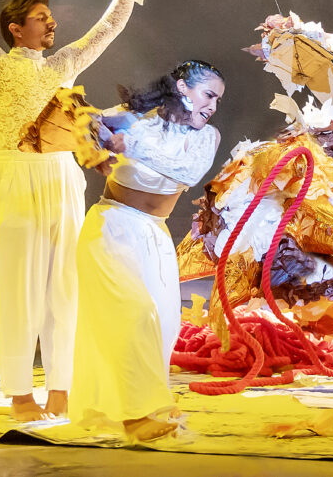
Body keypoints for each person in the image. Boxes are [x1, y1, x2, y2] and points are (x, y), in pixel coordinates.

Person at [0, 0, 142, 421]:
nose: (51, 22)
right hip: (17, 176)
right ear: (15, 28)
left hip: (62, 177)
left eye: (51, 15)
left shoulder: (62, 66)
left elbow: (104, 33)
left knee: (66, 284)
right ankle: (20, 395)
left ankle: (61, 388)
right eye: (41, 16)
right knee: (19, 285)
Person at [69, 60, 225, 441]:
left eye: (218, 99)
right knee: (133, 314)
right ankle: (136, 415)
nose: (213, 106)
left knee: (164, 326)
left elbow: (186, 172)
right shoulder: (131, 118)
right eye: (208, 95)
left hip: (154, 238)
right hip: (112, 228)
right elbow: (80, 127)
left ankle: (143, 402)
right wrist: (93, 146)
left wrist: (129, 144)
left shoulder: (206, 138)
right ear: (183, 87)